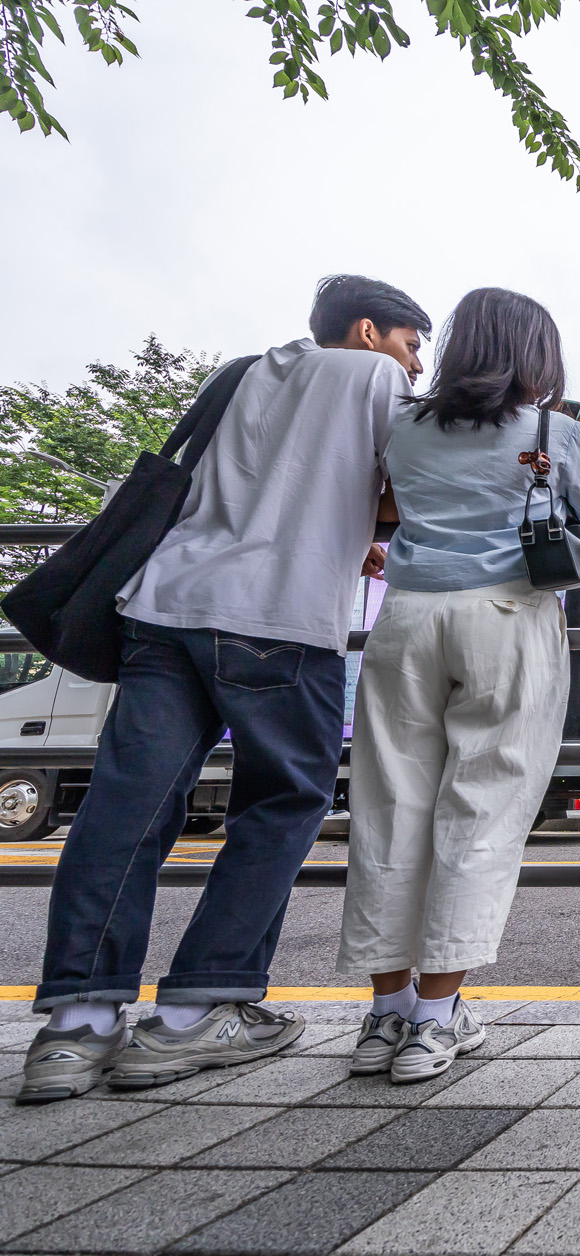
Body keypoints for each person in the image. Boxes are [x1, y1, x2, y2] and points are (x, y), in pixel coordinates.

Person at [18, 277, 431, 1105]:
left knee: (126, 810)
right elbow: (412, 489)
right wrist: (359, 526)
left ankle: (76, 1027)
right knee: (281, 803)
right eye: (412, 344)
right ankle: (197, 1011)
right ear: (368, 331)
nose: (417, 365)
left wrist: (342, 533)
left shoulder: (240, 371)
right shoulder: (372, 377)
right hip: (280, 617)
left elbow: (245, 488)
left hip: (165, 608)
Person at [335, 288, 580, 1084]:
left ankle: (386, 1014)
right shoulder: (554, 431)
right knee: (482, 808)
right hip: (508, 616)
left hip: (408, 618)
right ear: (535, 356)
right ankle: (435, 1017)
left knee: (387, 808)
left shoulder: (403, 423)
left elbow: (383, 504)